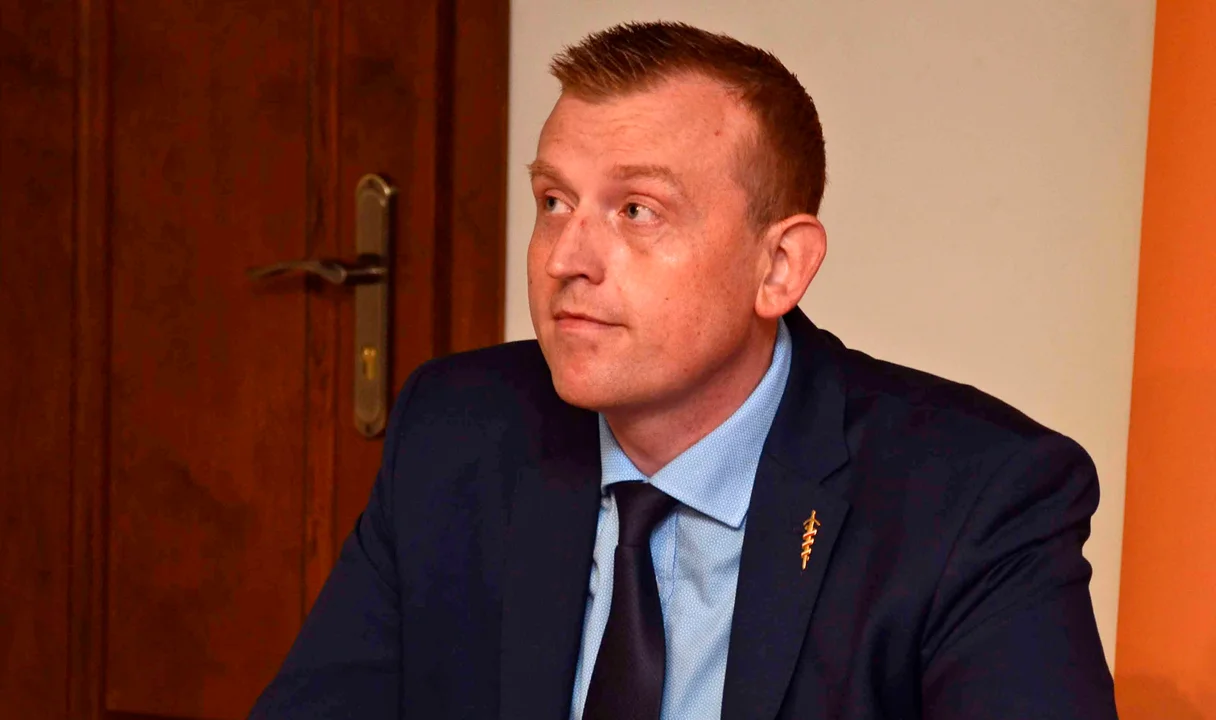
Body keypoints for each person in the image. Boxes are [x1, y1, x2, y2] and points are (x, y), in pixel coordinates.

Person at [251, 21, 1117, 719]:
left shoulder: (976, 500)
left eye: (636, 210)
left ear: (779, 267)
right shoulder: (457, 432)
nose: (565, 258)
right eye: (554, 201)